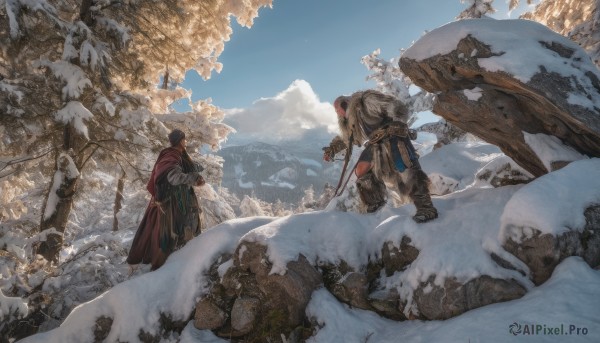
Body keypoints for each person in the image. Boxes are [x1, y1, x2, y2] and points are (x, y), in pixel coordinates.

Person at [323, 90, 438, 223]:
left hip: (393, 138)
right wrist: (331, 150)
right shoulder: (354, 119)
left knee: (406, 170)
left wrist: (397, 125)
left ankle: (426, 209)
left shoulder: (366, 100)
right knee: (361, 170)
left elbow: (396, 107)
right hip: (375, 144)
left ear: (344, 104)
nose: (338, 114)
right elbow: (346, 139)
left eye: (337, 110)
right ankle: (375, 205)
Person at [127, 129, 205, 270]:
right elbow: (173, 177)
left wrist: (196, 169)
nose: (185, 142)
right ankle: (170, 270)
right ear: (180, 140)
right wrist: (193, 178)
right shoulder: (170, 155)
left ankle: (179, 265)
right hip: (173, 206)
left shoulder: (177, 155)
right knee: (173, 237)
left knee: (180, 235)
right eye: (184, 140)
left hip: (179, 203)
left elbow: (187, 167)